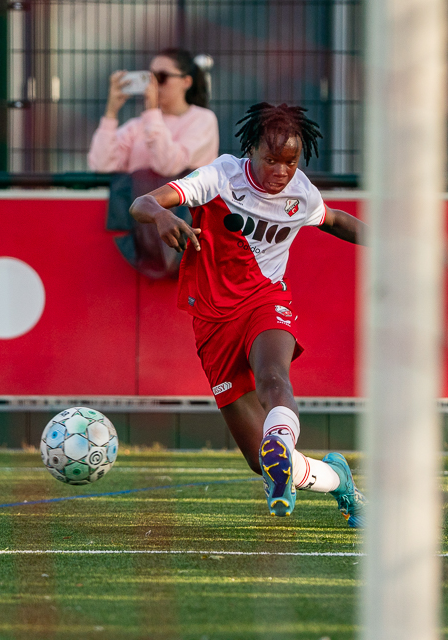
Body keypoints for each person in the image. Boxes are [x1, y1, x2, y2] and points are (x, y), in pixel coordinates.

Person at [129, 102, 366, 525]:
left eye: (290, 161)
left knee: (274, 377)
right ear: (250, 152)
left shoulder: (300, 192)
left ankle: (280, 440)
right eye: (271, 159)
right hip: (213, 319)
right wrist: (164, 216)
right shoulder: (220, 176)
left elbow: (334, 220)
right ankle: (337, 478)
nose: (281, 170)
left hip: (265, 300)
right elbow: (143, 202)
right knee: (262, 463)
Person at [88, 48, 219, 177]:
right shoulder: (138, 125)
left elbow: (168, 166)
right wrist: (111, 113)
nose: (153, 85)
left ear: (186, 82)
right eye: (150, 78)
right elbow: (102, 166)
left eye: (161, 77)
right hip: (139, 198)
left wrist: (152, 111)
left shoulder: (203, 119)